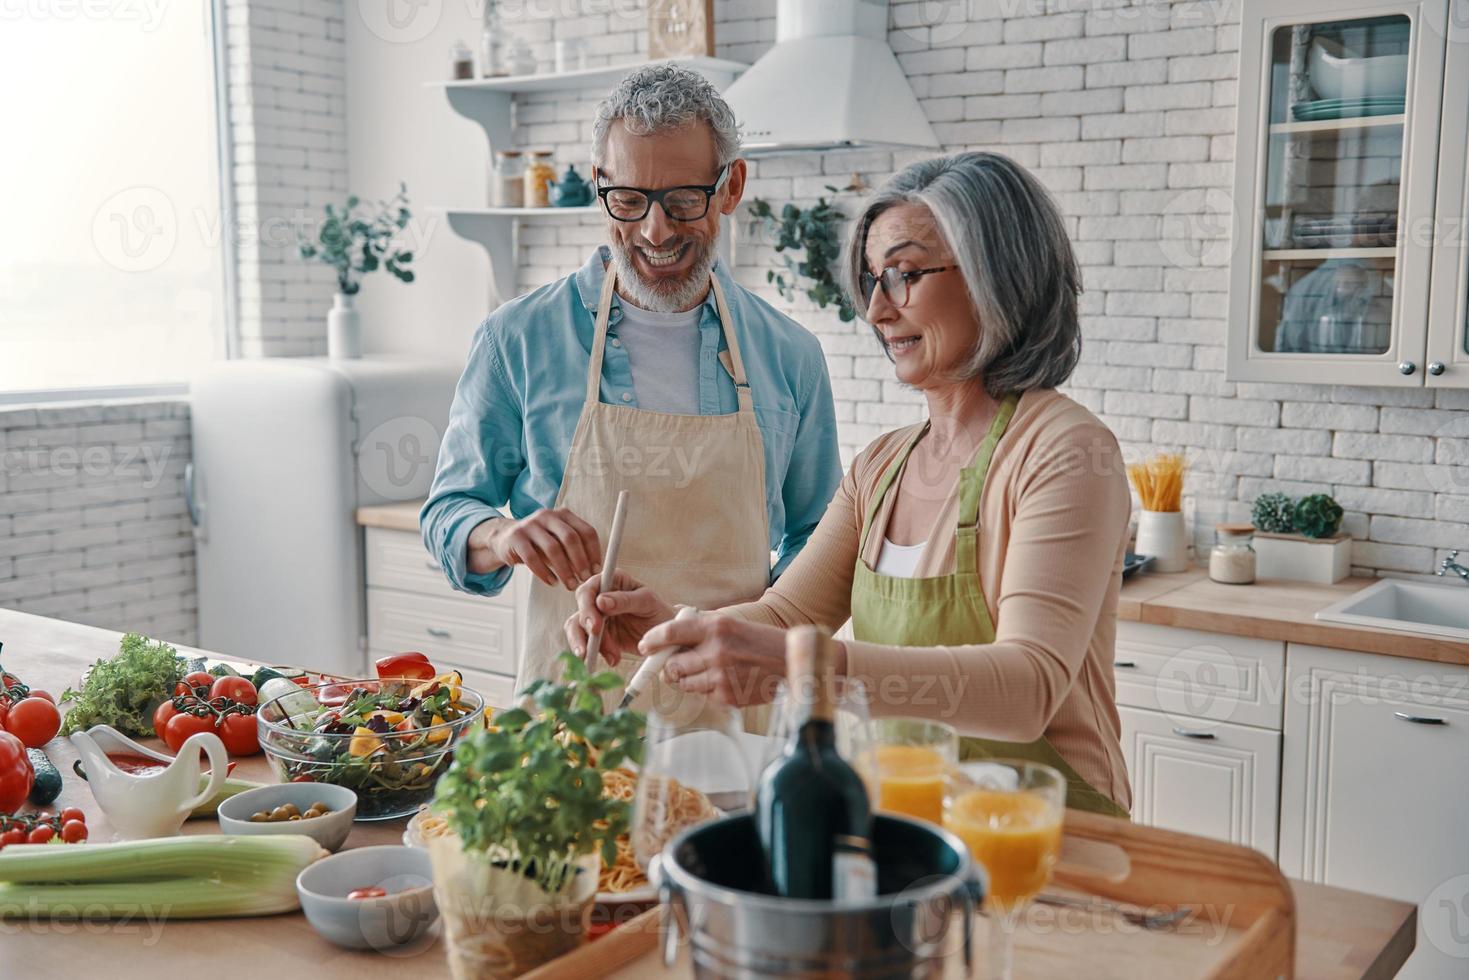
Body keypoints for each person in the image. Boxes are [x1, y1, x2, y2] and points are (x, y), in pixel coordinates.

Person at [567, 152, 1133, 816]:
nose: (876, 308)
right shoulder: (881, 467)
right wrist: (673, 631)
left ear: (996, 276)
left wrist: (806, 665)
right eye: (869, 280)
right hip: (909, 824)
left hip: (1053, 836)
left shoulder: (1064, 451)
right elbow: (783, 618)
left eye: (903, 274)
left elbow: (1026, 689)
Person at [422, 65, 842, 706]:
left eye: (682, 201)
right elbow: (448, 514)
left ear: (731, 187)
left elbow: (820, 541)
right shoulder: (517, 340)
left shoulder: (791, 355)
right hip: (569, 727)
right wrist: (502, 536)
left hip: (734, 721)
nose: (655, 230)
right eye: (629, 200)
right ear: (599, 186)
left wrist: (763, 632)